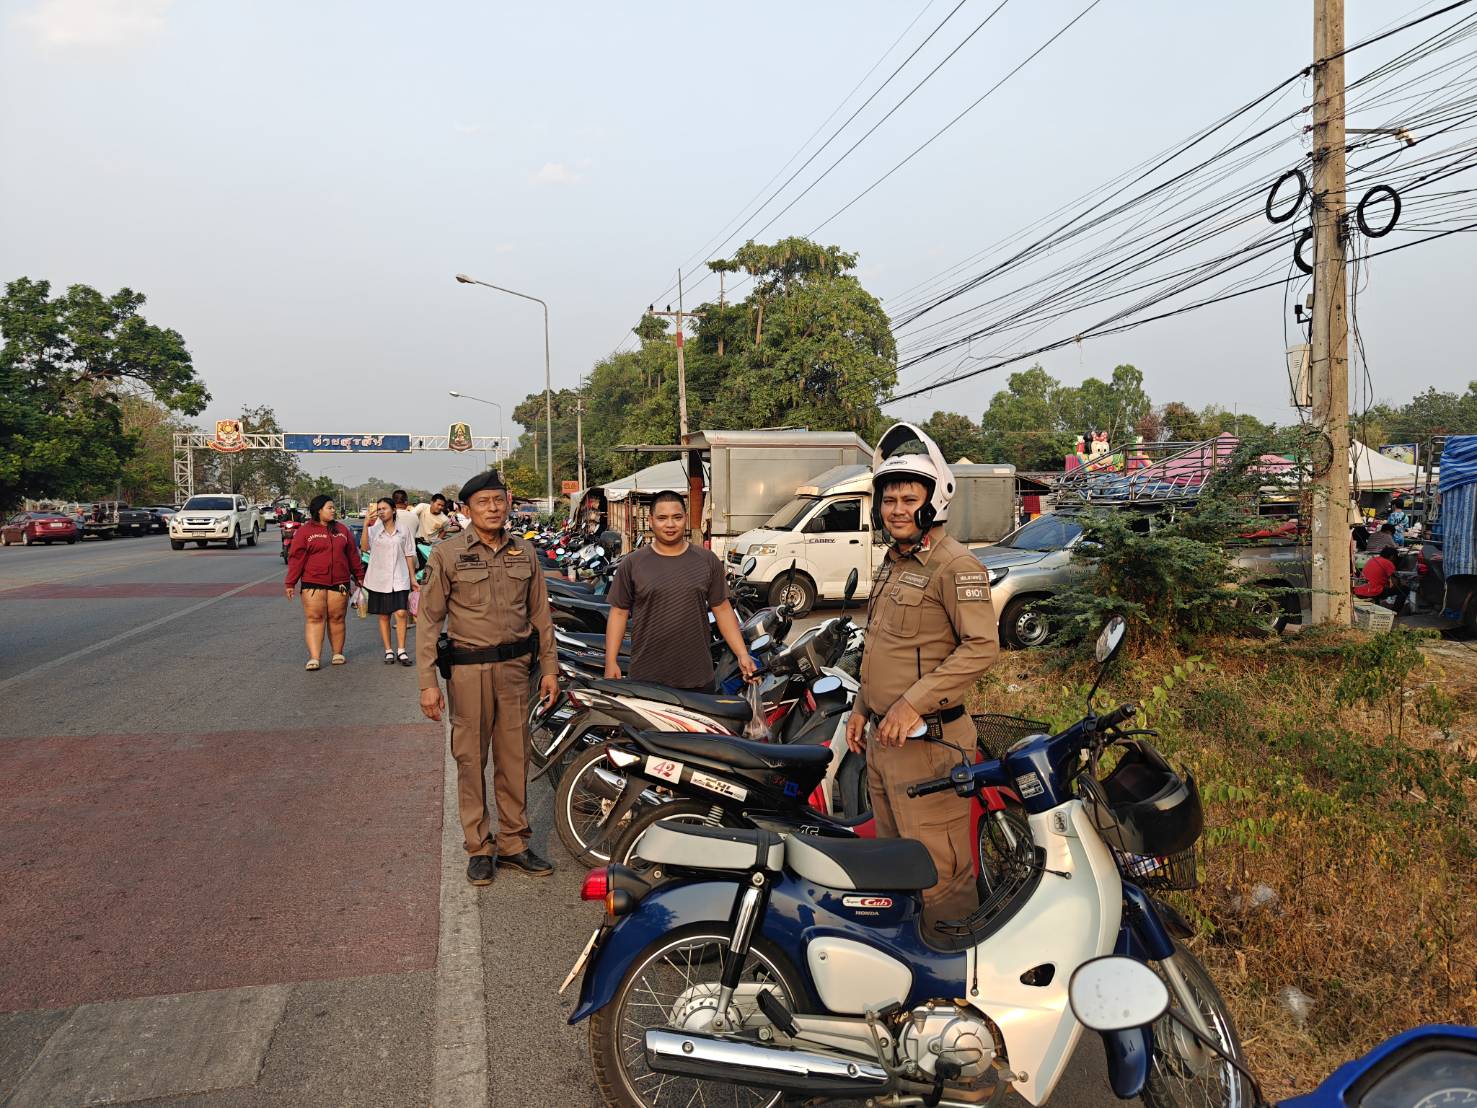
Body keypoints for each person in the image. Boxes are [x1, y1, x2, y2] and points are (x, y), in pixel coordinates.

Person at [843, 423, 1001, 928]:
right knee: (896, 866)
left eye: (909, 499)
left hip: (929, 745)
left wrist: (913, 702)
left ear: (935, 502)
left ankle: (953, 960)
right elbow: (882, 646)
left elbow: (982, 647)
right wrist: (861, 708)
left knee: (939, 871)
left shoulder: (955, 565)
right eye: (889, 500)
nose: (896, 509)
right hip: (885, 743)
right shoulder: (893, 562)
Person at [417, 470, 560, 886]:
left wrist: (550, 668)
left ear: (508, 504)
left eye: (499, 500)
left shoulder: (524, 552)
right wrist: (427, 682)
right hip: (468, 672)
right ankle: (479, 847)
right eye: (483, 502)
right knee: (470, 759)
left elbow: (541, 614)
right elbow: (428, 621)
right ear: (467, 509)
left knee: (514, 758)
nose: (493, 509)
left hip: (515, 671)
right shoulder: (447, 554)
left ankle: (514, 843)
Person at [603, 490, 756, 690]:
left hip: (697, 675)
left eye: (677, 517)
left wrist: (742, 654)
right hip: (647, 675)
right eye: (662, 518)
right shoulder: (632, 563)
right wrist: (611, 661)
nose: (670, 524)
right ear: (650, 521)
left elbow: (722, 609)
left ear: (686, 518)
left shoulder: (707, 560)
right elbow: (619, 613)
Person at [284, 495, 365, 671]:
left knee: (337, 618)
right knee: (315, 618)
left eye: (333, 507)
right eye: (330, 507)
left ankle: (337, 653)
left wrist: (359, 576)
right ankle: (314, 658)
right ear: (319, 510)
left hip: (340, 582)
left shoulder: (342, 530)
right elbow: (296, 558)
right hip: (313, 582)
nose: (333, 510)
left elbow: (353, 555)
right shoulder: (305, 531)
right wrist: (290, 583)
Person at [361, 497, 420, 665]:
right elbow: (364, 547)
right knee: (384, 615)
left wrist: (413, 578)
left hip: (400, 577)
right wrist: (366, 525)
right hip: (379, 579)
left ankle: (401, 650)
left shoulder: (404, 530)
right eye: (379, 509)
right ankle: (388, 650)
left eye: (384, 508)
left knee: (401, 613)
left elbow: (409, 554)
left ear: (393, 510)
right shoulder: (374, 530)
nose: (381, 511)